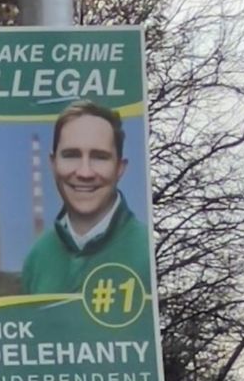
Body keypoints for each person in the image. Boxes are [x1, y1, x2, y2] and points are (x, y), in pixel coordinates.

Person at [22, 100, 151, 295]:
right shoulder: (38, 257)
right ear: (53, 164)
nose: (85, 172)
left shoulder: (147, 250)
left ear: (120, 168)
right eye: (71, 155)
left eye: (99, 157)